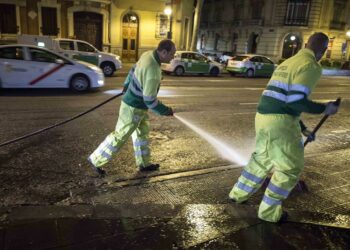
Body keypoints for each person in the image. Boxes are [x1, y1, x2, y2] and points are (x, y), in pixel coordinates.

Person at [228, 32, 339, 223]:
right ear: (322, 51)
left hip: (263, 117)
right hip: (280, 123)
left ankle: (238, 194)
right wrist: (325, 108)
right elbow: (295, 100)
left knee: (261, 160)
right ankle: (269, 213)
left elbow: (284, 99)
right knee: (290, 168)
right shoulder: (311, 66)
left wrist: (302, 128)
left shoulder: (288, 62)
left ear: (306, 44)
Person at [88, 39, 175, 176]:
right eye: (172, 54)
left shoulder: (147, 55)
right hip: (132, 107)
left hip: (138, 108)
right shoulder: (153, 71)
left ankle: (144, 164)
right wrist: (166, 111)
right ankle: (96, 159)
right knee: (120, 135)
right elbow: (150, 101)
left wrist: (127, 84)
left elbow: (134, 69)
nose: (173, 57)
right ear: (164, 52)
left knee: (142, 135)